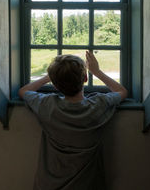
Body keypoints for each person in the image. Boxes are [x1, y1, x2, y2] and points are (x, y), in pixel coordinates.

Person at [19, 51, 128, 190]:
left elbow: (23, 91)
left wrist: (49, 77)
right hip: (88, 185)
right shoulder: (98, 105)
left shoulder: (48, 106)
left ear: (55, 85)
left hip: (49, 185)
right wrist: (97, 71)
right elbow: (121, 91)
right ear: (85, 79)